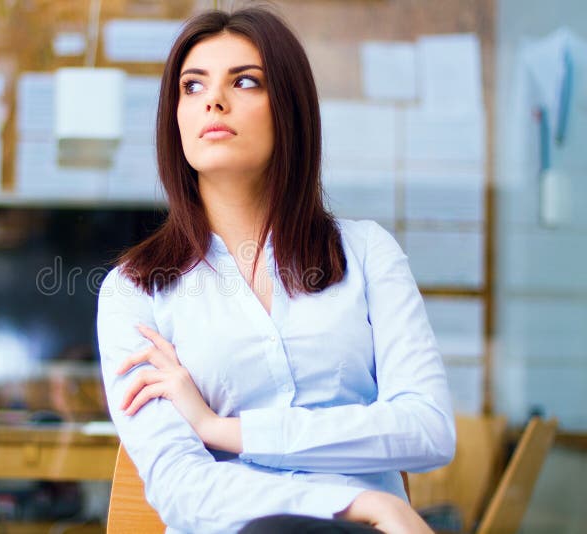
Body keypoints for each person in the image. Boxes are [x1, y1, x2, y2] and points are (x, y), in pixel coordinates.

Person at [96, 7, 455, 534]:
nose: (213, 100)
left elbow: (427, 430)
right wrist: (364, 503)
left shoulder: (367, 253)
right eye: (192, 87)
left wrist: (225, 430)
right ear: (175, 118)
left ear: (289, 109)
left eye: (244, 81)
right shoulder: (135, 291)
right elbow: (181, 487)